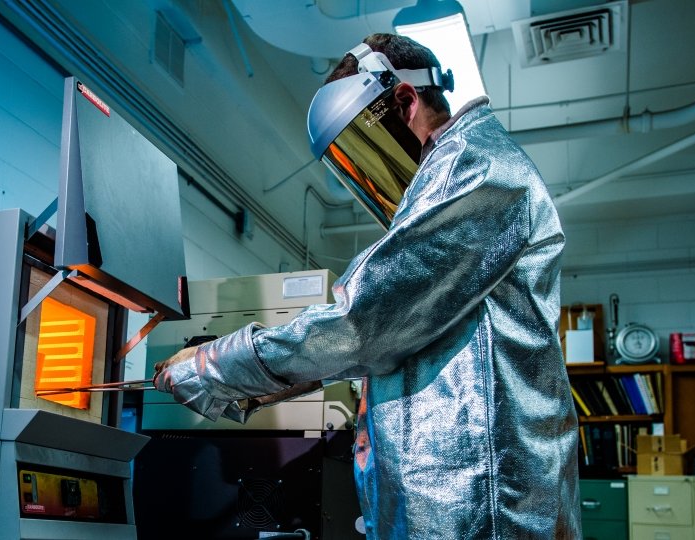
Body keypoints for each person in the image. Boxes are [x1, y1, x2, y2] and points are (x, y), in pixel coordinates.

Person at [153, 33, 580, 538]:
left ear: (404, 100)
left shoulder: (475, 168)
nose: (368, 176)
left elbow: (363, 323)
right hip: (460, 504)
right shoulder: (470, 169)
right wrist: (265, 387)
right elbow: (399, 339)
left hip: (481, 508)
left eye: (363, 146)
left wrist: (210, 366)